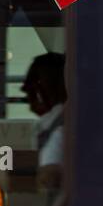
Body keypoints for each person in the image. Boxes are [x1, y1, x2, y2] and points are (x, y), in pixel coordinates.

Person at [22, 52, 67, 193]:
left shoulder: (59, 132)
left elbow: (48, 178)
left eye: (31, 92)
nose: (29, 105)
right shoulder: (65, 124)